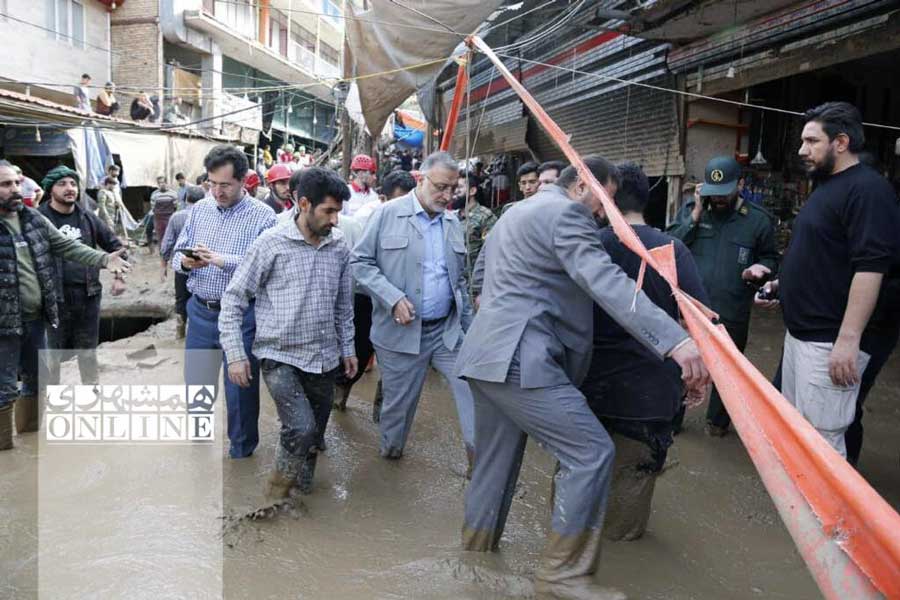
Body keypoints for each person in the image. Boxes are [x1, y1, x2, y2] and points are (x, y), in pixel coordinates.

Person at [455, 156, 708, 600]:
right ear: (581, 187)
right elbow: (605, 280)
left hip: (484, 355)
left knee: (493, 469)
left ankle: (473, 562)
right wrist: (675, 340)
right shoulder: (567, 214)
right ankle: (562, 577)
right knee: (591, 453)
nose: (604, 213)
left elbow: (479, 280)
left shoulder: (518, 210)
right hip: (522, 361)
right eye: (605, 200)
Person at [756, 102, 900, 458]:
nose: (802, 150)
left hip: (829, 342)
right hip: (803, 335)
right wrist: (781, 285)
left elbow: (871, 269)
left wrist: (848, 340)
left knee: (823, 445)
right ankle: (804, 511)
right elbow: (822, 256)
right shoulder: (826, 187)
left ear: (840, 142)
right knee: (796, 432)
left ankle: (830, 515)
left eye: (811, 141)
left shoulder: (868, 191)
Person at [580, 163, 709, 542]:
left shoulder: (589, 246)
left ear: (606, 197)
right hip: (650, 394)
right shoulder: (673, 249)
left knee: (577, 478)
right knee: (630, 490)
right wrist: (697, 378)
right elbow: (700, 321)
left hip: (588, 386)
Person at [220, 167, 356, 497]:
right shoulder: (271, 243)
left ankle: (301, 495)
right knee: (300, 426)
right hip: (279, 354)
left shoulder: (338, 247)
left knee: (314, 436)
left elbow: (343, 304)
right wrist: (236, 355)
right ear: (305, 204)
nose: (335, 220)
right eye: (329, 211)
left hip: (323, 358)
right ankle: (275, 494)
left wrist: (348, 348)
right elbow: (234, 298)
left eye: (339, 211)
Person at [351, 151, 477, 472]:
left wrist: (472, 331)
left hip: (446, 333)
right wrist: (392, 297)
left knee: (474, 389)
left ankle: (481, 466)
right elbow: (359, 263)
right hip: (400, 333)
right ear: (421, 178)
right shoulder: (386, 215)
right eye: (441, 187)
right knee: (399, 406)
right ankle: (390, 459)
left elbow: (459, 282)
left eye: (453, 189)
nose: (447, 196)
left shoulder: (452, 222)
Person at [0, 161, 130, 450]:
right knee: (6, 386)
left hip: (43, 314)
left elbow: (68, 246)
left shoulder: (33, 219)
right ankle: (6, 453)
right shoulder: (42, 214)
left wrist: (106, 260)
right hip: (6, 322)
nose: (14, 189)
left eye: (15, 183)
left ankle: (33, 446)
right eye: (5, 184)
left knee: (39, 378)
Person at [172, 145, 277, 458]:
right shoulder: (200, 209)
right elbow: (178, 252)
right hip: (200, 311)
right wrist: (187, 263)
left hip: (242, 317)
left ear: (243, 181)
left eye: (225, 185)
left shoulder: (264, 217)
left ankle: (242, 451)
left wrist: (221, 260)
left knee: (240, 388)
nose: (217, 191)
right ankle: (199, 443)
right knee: (197, 383)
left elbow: (266, 266)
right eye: (212, 183)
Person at [668, 156, 778, 437]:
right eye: (712, 194)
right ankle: (672, 419)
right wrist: (692, 218)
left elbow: (771, 258)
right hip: (691, 311)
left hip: (732, 310)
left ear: (740, 185)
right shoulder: (694, 211)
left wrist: (762, 267)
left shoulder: (758, 221)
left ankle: (717, 423)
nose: (717, 200)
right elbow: (669, 248)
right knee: (682, 366)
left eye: (724, 193)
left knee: (728, 373)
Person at [335, 169, 416, 419]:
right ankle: (340, 394)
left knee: (395, 363)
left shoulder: (419, 220)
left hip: (403, 301)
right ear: (383, 198)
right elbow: (358, 264)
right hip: (366, 298)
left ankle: (385, 420)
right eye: (399, 200)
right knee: (358, 353)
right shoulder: (364, 219)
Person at [37, 165, 127, 386]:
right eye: (62, 184)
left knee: (88, 352)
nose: (70, 188)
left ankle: (91, 399)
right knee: (52, 356)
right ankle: (52, 403)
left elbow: (116, 247)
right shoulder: (38, 219)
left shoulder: (87, 218)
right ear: (50, 189)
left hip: (88, 296)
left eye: (73, 183)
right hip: (53, 299)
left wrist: (118, 276)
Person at [160, 185, 205, 339]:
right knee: (199, 298)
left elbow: (167, 243)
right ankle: (197, 331)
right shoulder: (207, 217)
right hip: (203, 265)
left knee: (181, 298)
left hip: (181, 265)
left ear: (186, 199)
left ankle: (180, 330)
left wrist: (163, 266)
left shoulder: (176, 217)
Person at [455, 172, 496, 295]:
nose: (455, 191)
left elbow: (492, 254)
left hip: (475, 286)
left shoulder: (485, 217)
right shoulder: (451, 216)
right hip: (455, 284)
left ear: (472, 191)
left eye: (459, 187)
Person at [148, 176, 178, 255]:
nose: (162, 184)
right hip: (158, 218)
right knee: (160, 236)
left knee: (170, 235)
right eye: (159, 183)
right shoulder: (154, 194)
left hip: (169, 217)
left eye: (163, 182)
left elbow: (175, 206)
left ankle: (171, 252)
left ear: (166, 183)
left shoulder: (173, 193)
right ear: (158, 184)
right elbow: (153, 207)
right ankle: (163, 252)